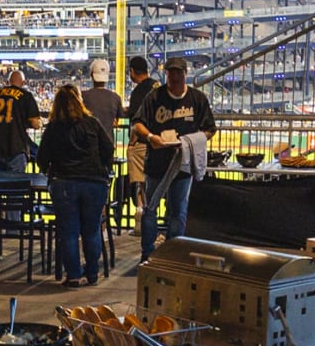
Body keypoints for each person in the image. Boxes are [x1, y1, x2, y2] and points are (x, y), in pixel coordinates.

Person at [130, 56, 218, 256]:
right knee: (150, 209)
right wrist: (151, 137)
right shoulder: (154, 97)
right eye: (171, 73)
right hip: (157, 162)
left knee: (178, 211)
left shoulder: (197, 98)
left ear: (185, 74)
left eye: (178, 73)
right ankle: (148, 254)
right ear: (166, 75)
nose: (175, 77)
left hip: (183, 164)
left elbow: (210, 129)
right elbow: (137, 123)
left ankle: (172, 254)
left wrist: (190, 142)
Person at [38, 83, 112, 287]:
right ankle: (92, 273)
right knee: (92, 229)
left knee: (69, 231)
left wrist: (48, 170)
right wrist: (103, 168)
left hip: (64, 182)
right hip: (94, 182)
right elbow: (108, 149)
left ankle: (73, 276)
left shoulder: (53, 128)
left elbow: (42, 158)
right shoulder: (92, 123)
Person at [0, 70, 42, 173]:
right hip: (16, 147)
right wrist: (39, 123)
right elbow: (35, 124)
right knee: (15, 182)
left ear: (8, 81)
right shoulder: (26, 96)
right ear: (23, 83)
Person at [124, 54, 157, 188]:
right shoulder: (157, 86)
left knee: (140, 184)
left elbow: (136, 120)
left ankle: (141, 202)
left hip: (142, 142)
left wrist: (131, 143)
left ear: (132, 71)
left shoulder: (138, 91)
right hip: (158, 141)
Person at [80, 58, 123, 139]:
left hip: (88, 142)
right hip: (108, 142)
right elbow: (118, 118)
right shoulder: (116, 97)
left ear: (91, 75)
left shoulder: (82, 96)